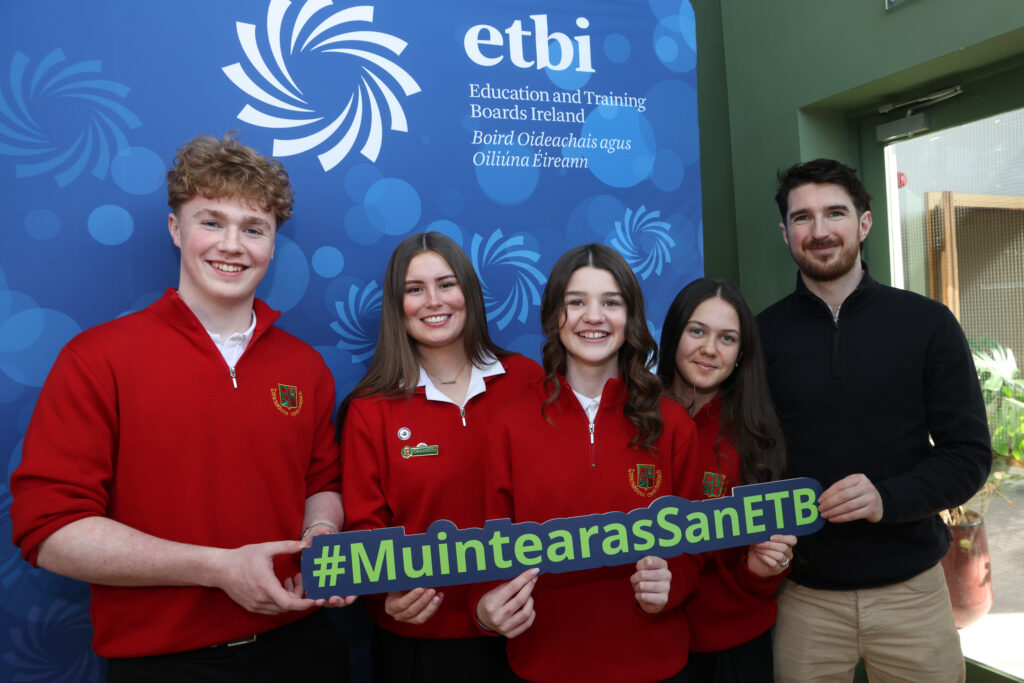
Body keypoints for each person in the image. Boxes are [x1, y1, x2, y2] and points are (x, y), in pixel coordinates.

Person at [9, 133, 351, 682]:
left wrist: (321, 542)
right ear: (176, 228)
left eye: (254, 228)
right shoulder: (97, 358)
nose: (232, 245)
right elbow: (50, 530)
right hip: (163, 663)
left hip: (301, 646)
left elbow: (322, 484)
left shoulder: (305, 367)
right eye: (211, 222)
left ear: (273, 244)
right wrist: (217, 568)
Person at [757, 158, 991, 682]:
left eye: (834, 213)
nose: (819, 231)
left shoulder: (928, 324)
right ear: (784, 232)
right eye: (802, 218)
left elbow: (968, 456)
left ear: (864, 223)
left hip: (913, 593)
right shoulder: (759, 336)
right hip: (803, 600)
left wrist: (887, 498)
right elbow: (744, 457)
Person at [474, 244, 703, 683]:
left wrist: (673, 583)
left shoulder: (672, 423)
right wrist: (486, 608)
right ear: (553, 317)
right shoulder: (508, 425)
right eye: (576, 302)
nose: (593, 317)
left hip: (653, 665)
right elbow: (487, 548)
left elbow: (694, 549)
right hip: (543, 666)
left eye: (610, 302)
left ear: (630, 317)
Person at [337, 231, 544, 682]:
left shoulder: (527, 380)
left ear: (469, 292)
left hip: (526, 631)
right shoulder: (369, 408)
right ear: (397, 305)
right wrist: (384, 595)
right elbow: (365, 526)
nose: (434, 301)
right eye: (415, 289)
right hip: (421, 644)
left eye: (446, 284)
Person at [657, 278, 795, 683]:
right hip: (652, 642)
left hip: (736, 644)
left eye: (727, 338)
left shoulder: (758, 431)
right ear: (674, 335)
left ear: (740, 354)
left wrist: (764, 567)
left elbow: (770, 557)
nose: (709, 349)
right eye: (697, 331)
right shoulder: (634, 417)